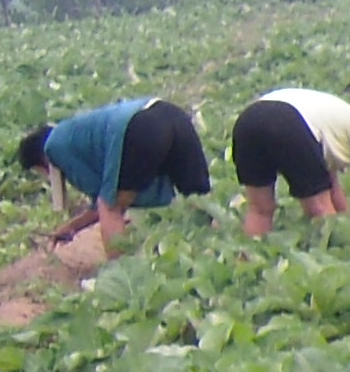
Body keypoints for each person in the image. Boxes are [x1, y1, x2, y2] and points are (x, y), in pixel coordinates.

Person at [17, 97, 212, 254]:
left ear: (41, 160)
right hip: (173, 115)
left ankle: (120, 270)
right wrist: (73, 226)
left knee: (110, 207)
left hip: (139, 126)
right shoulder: (73, 132)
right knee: (201, 202)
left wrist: (76, 222)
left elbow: (104, 200)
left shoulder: (53, 146)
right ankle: (211, 254)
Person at [229, 88, 350, 237]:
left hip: (248, 121)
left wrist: (347, 223)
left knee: (260, 210)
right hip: (287, 120)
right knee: (321, 215)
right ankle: (332, 265)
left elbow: (331, 187)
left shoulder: (333, 121)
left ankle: (245, 263)